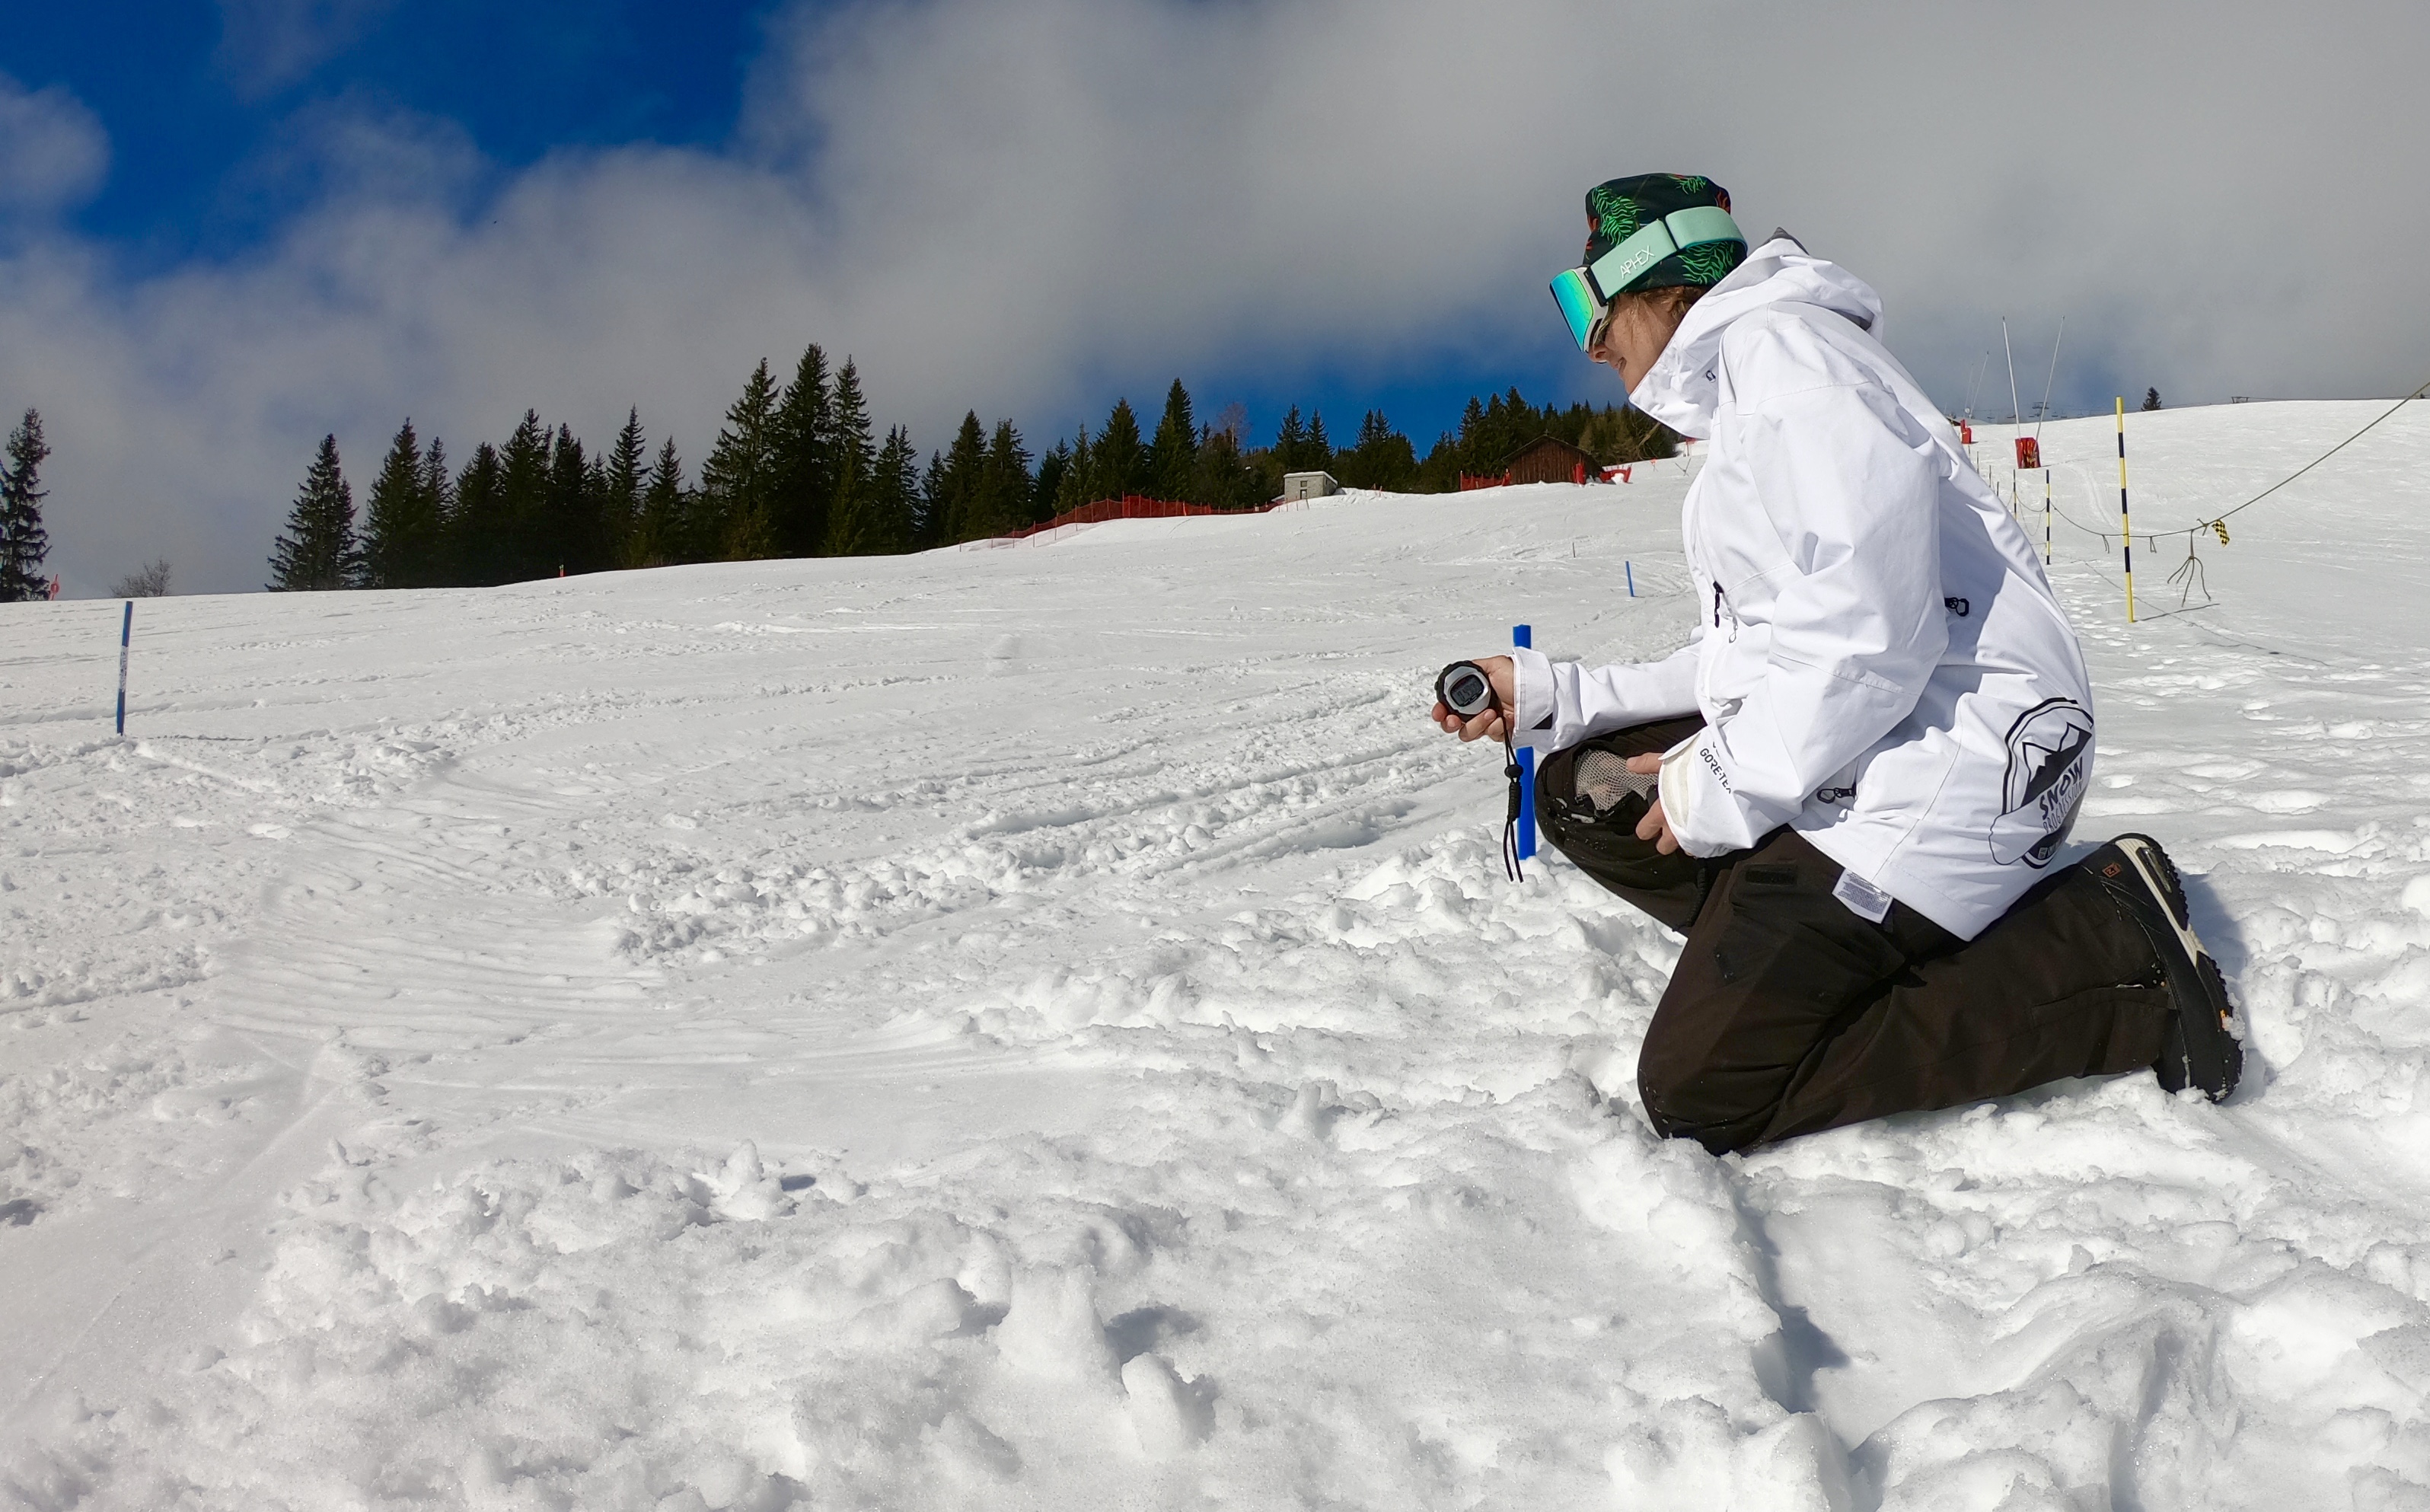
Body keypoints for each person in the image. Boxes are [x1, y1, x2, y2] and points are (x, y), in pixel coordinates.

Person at [1431, 173, 2241, 1155]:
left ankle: (2116, 957)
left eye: (1588, 309)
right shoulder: (1755, 385)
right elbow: (1753, 653)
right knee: (1579, 788)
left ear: (1656, 287)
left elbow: (1872, 633)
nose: (1592, 346)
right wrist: (1563, 695)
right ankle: (1799, 950)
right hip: (1891, 735)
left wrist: (1723, 781)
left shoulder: (1789, 364)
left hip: (1959, 766)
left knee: (1703, 1089)